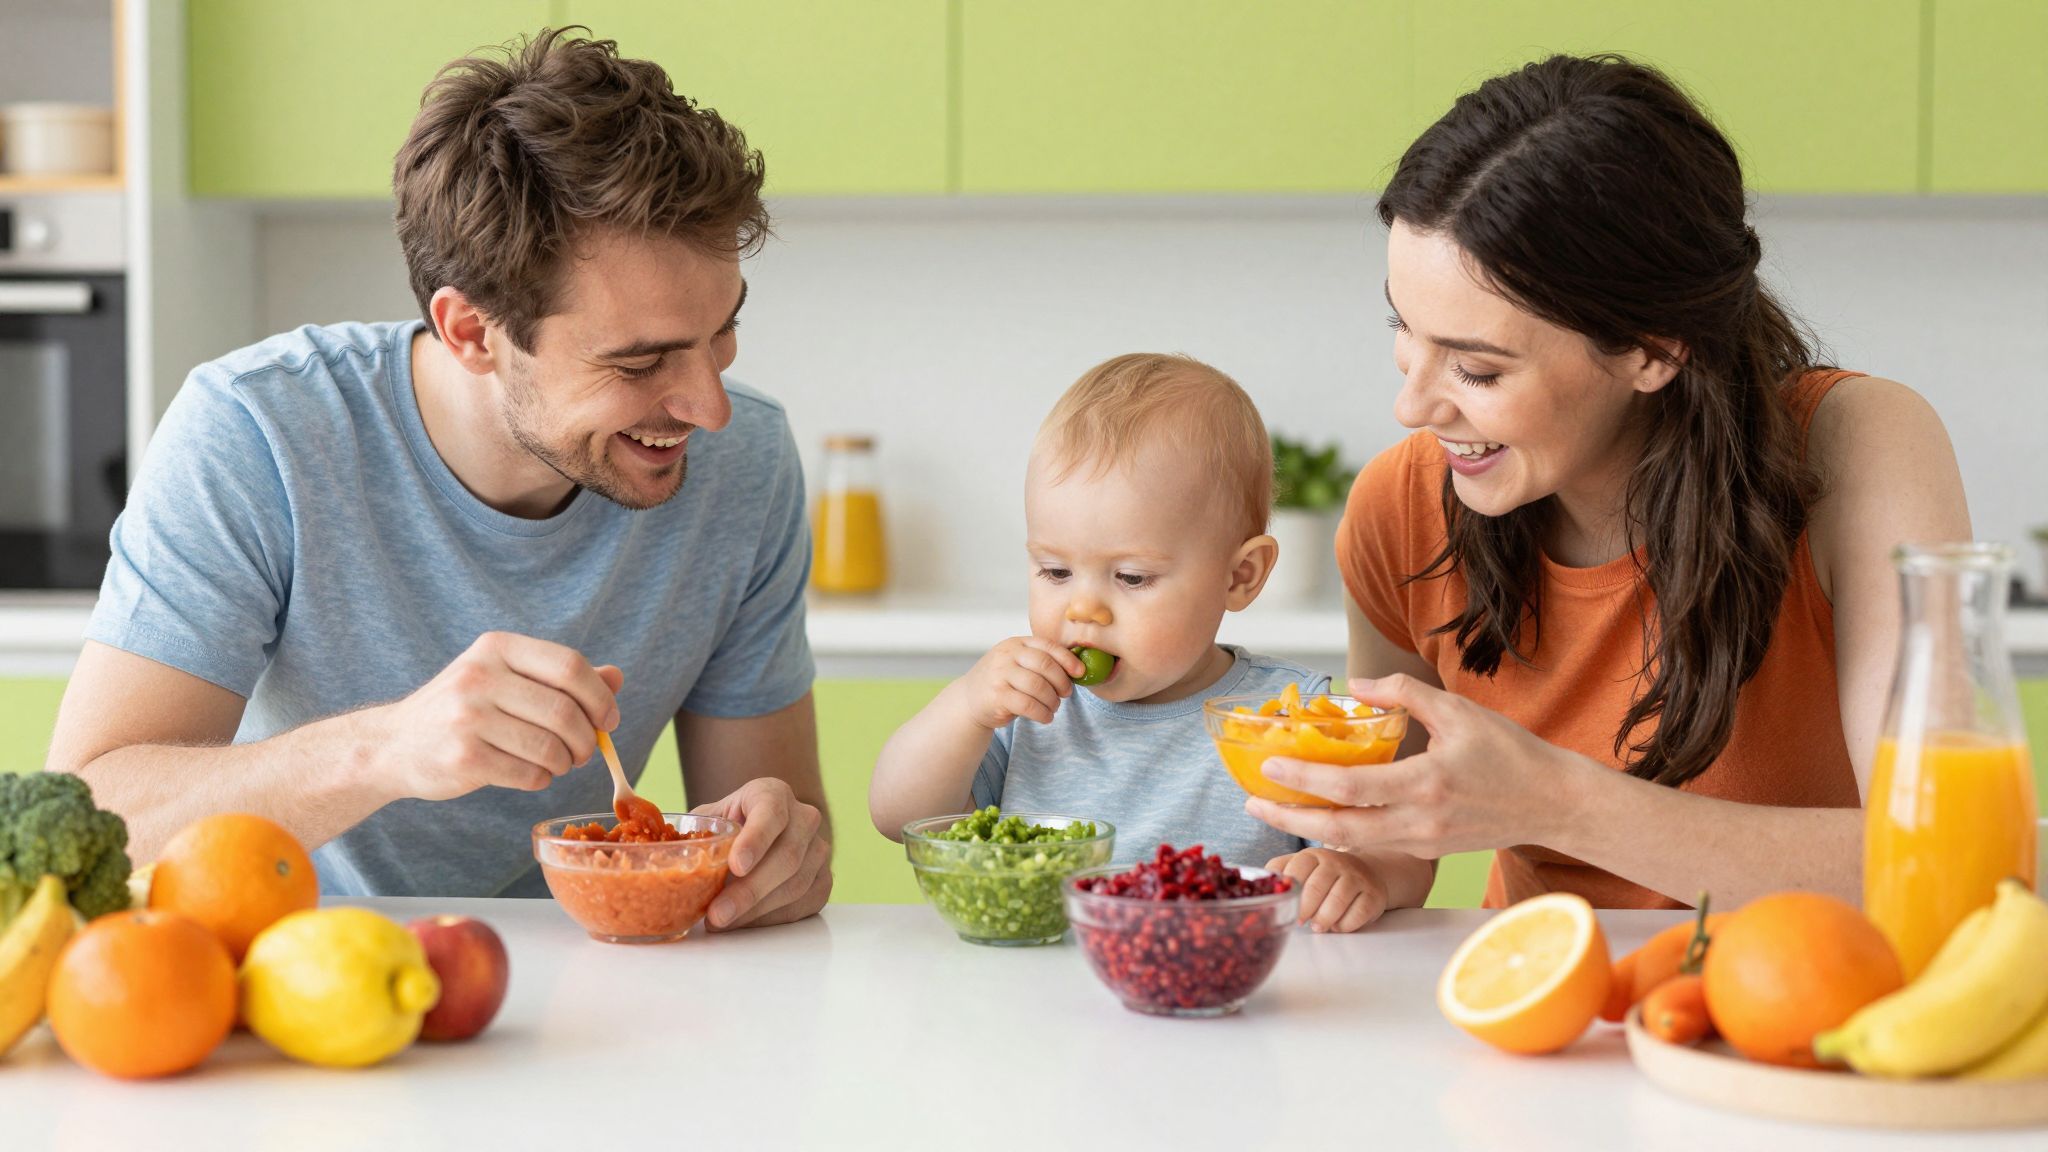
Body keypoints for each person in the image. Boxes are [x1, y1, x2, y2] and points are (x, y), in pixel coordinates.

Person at [44, 29, 832, 927]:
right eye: (640, 361)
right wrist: (387, 748)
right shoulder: (257, 433)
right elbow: (92, 820)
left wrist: (780, 855)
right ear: (470, 331)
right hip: (297, 973)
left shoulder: (745, 463)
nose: (708, 406)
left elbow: (773, 837)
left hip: (595, 988)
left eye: (721, 333)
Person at [1248, 54, 1971, 923]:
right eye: (1405, 330)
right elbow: (1397, 832)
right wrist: (1360, 861)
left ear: (1652, 350)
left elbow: (1949, 859)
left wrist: (1558, 802)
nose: (1412, 406)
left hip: (1794, 1005)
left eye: (1477, 368)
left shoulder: (1860, 447)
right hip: (1543, 1006)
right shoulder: (1398, 510)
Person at [868, 353, 1383, 932]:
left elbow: (1384, 853)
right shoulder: (1027, 706)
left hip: (1221, 994)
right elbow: (897, 816)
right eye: (1055, 573)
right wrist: (964, 708)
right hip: (1041, 991)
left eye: (1132, 577)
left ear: (1239, 576)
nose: (1082, 608)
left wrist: (1351, 873)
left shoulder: (1287, 716)